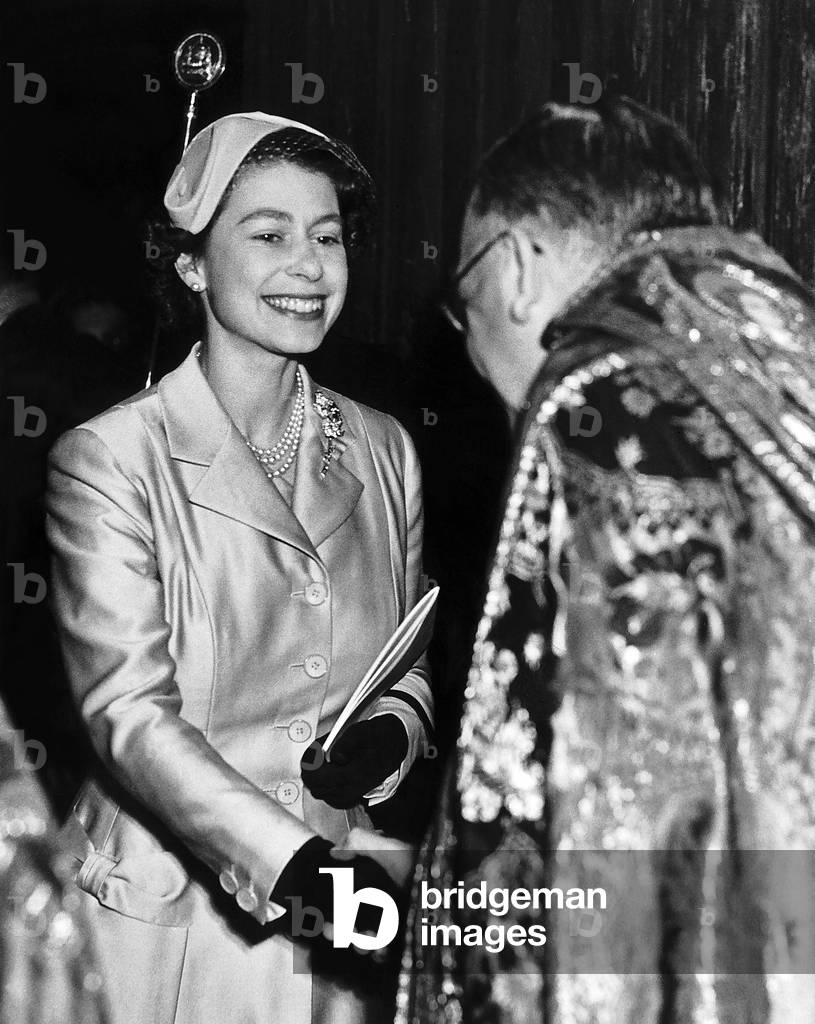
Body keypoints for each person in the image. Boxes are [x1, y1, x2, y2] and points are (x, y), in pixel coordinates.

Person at [389, 97, 815, 1023]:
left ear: (513, 268)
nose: (469, 343)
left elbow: (590, 821)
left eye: (463, 303)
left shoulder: (599, 403)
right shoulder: (785, 346)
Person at [45, 111, 433, 1024]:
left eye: (327, 238)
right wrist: (294, 868)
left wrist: (394, 730)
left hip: (339, 914)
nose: (309, 266)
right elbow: (129, 717)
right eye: (268, 236)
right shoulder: (110, 460)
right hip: (167, 926)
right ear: (191, 264)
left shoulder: (384, 449)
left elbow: (407, 656)